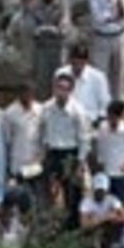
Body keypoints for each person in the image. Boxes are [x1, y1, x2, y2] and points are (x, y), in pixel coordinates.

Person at [39, 72, 92, 216]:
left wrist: (80, 162)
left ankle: (73, 228)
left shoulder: (78, 110)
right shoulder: (46, 108)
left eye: (65, 88)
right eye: (58, 88)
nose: (61, 92)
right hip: (52, 153)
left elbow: (84, 138)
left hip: (70, 154)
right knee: (50, 193)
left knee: (72, 194)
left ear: (70, 90)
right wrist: (42, 156)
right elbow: (41, 132)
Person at [14, 0, 72, 94]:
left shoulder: (62, 1)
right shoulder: (32, 7)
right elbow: (16, 34)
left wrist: (58, 29)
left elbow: (65, 24)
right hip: (38, 51)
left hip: (57, 48)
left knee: (60, 79)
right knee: (41, 85)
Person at [91, 100, 124, 206]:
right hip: (106, 172)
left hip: (122, 173)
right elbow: (101, 145)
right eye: (109, 116)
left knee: (121, 203)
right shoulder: (103, 127)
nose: (111, 120)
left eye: (113, 117)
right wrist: (100, 161)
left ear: (120, 116)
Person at [59, 44, 113, 122]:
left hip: (90, 120)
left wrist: (98, 120)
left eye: (81, 61)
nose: (78, 65)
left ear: (86, 61)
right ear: (70, 60)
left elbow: (105, 104)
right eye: (75, 61)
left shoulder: (98, 77)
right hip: (66, 120)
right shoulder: (61, 74)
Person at [77, 173, 124, 248]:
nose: (100, 193)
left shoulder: (112, 199)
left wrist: (115, 218)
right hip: (94, 230)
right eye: (98, 190)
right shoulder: (86, 202)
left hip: (109, 228)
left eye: (102, 191)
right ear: (93, 189)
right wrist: (105, 217)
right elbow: (84, 226)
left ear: (107, 190)